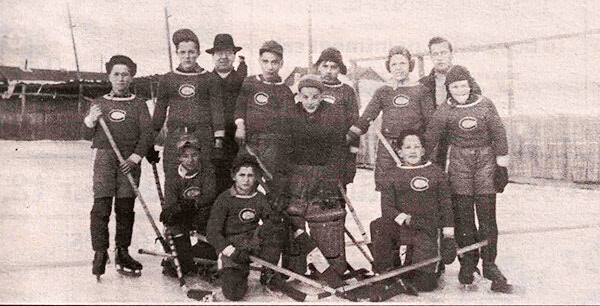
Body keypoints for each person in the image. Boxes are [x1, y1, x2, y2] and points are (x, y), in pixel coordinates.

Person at [424, 65, 513, 293]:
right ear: (449, 89)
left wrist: (501, 166)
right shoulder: (446, 109)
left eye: (463, 85)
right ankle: (468, 263)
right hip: (459, 161)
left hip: (485, 160)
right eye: (454, 86)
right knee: (463, 216)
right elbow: (432, 133)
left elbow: (499, 132)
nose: (460, 89)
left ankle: (490, 264)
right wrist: (419, 158)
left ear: (470, 84)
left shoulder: (484, 104)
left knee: (486, 215)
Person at [83, 55, 153, 280]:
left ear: (131, 77)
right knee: (101, 208)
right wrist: (90, 120)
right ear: (109, 76)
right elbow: (86, 135)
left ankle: (122, 251)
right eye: (116, 74)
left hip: (129, 162)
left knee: (124, 209)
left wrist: (135, 157)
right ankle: (100, 252)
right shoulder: (99, 103)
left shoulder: (138, 103)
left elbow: (147, 134)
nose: (121, 79)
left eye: (125, 74)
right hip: (105, 159)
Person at [283, 75, 349, 287]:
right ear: (299, 96)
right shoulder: (291, 114)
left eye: (315, 96)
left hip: (324, 176)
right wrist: (282, 179)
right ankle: (295, 267)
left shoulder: (332, 115)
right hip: (297, 175)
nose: (310, 101)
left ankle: (329, 265)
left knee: (326, 218)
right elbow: (283, 149)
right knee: (294, 219)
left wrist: (332, 174)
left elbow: (339, 148)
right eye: (306, 96)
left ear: (322, 96)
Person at [369, 131, 454, 292]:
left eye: (417, 147)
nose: (413, 151)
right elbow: (387, 207)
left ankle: (426, 267)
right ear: (400, 152)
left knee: (425, 285)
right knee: (379, 225)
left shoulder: (436, 173)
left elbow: (446, 206)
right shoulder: (391, 175)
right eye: (407, 147)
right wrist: (403, 218)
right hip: (403, 228)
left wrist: (448, 237)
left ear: (423, 150)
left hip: (427, 230)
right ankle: (387, 271)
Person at [347, 45, 434, 191]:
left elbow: (431, 124)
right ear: (389, 67)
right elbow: (366, 118)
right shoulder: (383, 91)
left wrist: (427, 151)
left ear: (410, 65)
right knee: (387, 189)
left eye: (402, 63)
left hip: (411, 147)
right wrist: (346, 138)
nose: (398, 68)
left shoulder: (422, 91)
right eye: (394, 64)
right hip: (387, 148)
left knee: (413, 188)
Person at [206, 156, 286, 301]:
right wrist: (232, 252)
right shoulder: (224, 199)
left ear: (256, 177)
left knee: (276, 230)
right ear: (234, 176)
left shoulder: (259, 198)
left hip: (252, 241)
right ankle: (231, 271)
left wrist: (275, 215)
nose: (246, 180)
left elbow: (270, 222)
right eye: (242, 175)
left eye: (250, 175)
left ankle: (269, 274)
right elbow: (212, 232)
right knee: (233, 294)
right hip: (233, 245)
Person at [152, 28, 224, 183]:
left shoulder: (209, 78)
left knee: (204, 180)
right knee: (174, 179)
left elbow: (217, 110)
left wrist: (218, 142)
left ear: (198, 53)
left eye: (191, 52)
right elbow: (159, 112)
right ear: (177, 53)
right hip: (175, 136)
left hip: (202, 136)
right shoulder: (167, 79)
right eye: (183, 52)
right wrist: (150, 141)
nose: (187, 57)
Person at [233, 40, 295, 196]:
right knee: (246, 184)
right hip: (249, 143)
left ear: (281, 63)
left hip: (272, 146)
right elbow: (240, 106)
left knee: (272, 186)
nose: (270, 66)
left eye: (274, 62)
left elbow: (287, 122)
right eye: (265, 61)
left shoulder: (285, 90)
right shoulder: (250, 82)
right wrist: (240, 126)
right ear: (260, 62)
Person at [159, 133, 218, 279]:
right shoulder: (173, 175)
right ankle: (180, 252)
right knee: (178, 267)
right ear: (179, 158)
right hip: (183, 217)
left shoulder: (207, 171)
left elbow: (209, 196)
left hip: (200, 215)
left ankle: (203, 250)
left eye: (194, 155)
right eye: (185, 156)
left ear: (199, 154)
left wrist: (191, 204)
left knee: (208, 216)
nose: (190, 160)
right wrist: (174, 210)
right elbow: (171, 202)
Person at [418, 37, 481, 168]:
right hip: (435, 139)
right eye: (435, 54)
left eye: (443, 53)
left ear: (451, 54)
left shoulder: (465, 79)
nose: (439, 58)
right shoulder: (424, 83)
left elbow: (477, 102)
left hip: (460, 138)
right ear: (430, 56)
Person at [206, 33, 248, 194]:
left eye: (228, 53)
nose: (223, 57)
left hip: (238, 141)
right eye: (219, 53)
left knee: (240, 186)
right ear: (213, 56)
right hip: (211, 142)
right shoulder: (205, 80)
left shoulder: (244, 81)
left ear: (234, 56)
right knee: (213, 187)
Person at [314, 47, 359, 187]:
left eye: (333, 67)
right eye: (325, 66)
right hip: (314, 148)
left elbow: (354, 123)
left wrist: (352, 156)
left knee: (337, 193)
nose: (328, 70)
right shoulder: (311, 88)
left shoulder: (347, 91)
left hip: (339, 149)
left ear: (339, 69)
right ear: (319, 67)